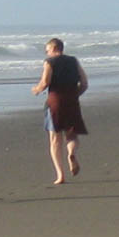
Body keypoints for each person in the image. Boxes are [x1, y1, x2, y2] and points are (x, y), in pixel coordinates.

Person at [31, 37, 88, 184]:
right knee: (72, 135)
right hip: (72, 101)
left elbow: (45, 82)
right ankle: (71, 154)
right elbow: (84, 83)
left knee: (55, 139)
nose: (46, 52)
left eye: (47, 50)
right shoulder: (73, 61)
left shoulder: (49, 62)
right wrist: (75, 94)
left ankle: (60, 175)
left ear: (54, 48)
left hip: (55, 102)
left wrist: (36, 89)